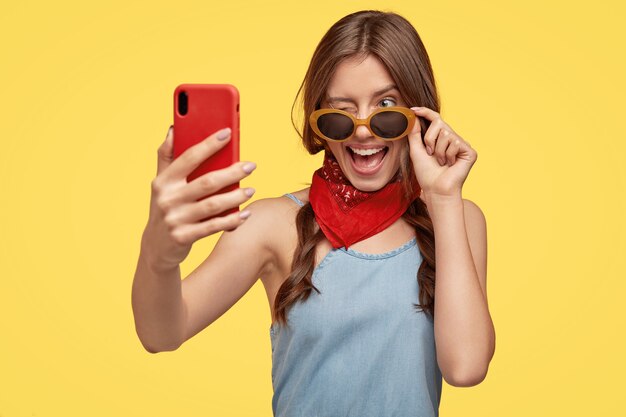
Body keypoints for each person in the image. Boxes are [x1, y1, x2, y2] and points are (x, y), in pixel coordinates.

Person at [132, 9, 495, 417]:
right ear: (318, 122)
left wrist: (443, 199)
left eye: (386, 107)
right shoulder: (273, 225)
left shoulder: (457, 219)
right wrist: (158, 254)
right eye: (341, 112)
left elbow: (465, 367)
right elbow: (161, 333)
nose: (362, 131)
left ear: (420, 114)